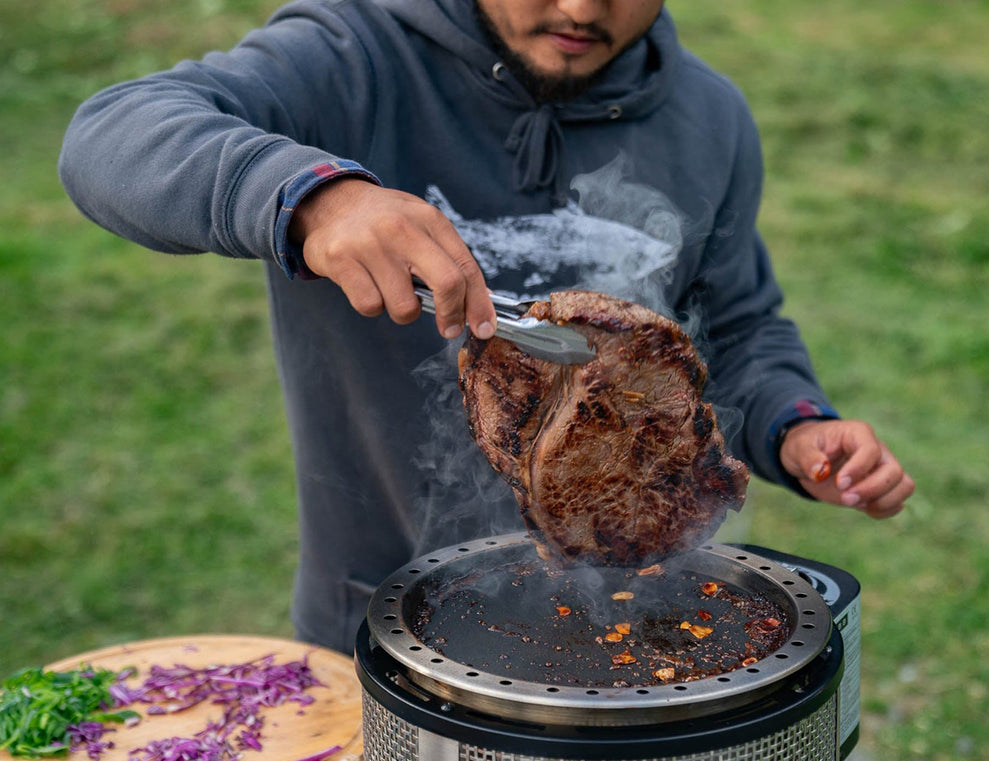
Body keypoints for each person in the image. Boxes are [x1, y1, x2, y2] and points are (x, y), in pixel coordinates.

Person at [59, 0, 914, 656]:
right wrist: (310, 194)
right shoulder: (352, 58)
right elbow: (110, 135)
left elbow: (732, 329)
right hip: (385, 612)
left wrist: (797, 423)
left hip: (637, 608)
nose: (582, 10)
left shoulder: (710, 121)